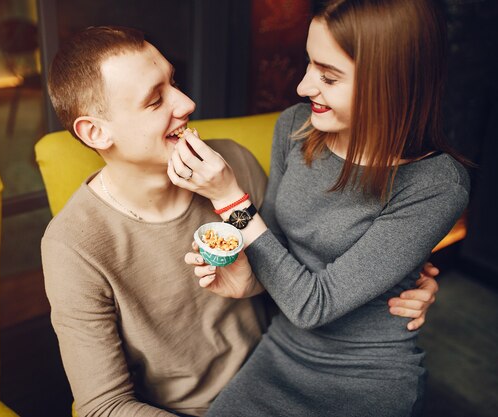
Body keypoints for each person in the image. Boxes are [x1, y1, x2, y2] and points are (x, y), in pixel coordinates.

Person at [42, 26, 441, 417]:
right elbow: (103, 405)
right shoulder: (72, 244)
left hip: (284, 362)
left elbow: (290, 271)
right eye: (154, 100)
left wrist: (394, 277)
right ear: (95, 132)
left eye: (174, 82)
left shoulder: (232, 162)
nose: (185, 103)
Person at [176, 1, 469, 416]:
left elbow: (313, 306)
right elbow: (271, 247)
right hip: (280, 350)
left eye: (328, 76)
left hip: (365, 374)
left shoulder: (436, 185)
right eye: (309, 64)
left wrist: (229, 198)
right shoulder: (295, 128)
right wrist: (242, 277)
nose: (303, 86)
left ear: (391, 83)